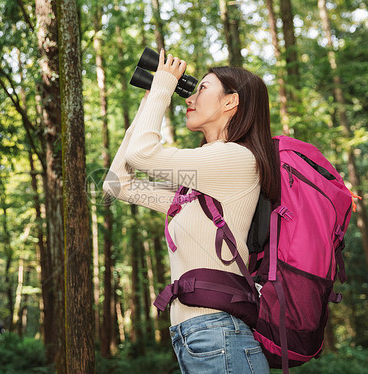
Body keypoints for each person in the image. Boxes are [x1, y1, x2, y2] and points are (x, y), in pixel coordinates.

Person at [103, 49, 278, 374]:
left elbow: (143, 156)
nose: (191, 98)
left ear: (230, 102)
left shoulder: (236, 160)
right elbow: (118, 186)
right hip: (199, 337)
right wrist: (147, 107)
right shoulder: (198, 185)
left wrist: (163, 90)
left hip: (219, 336)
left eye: (203, 88)